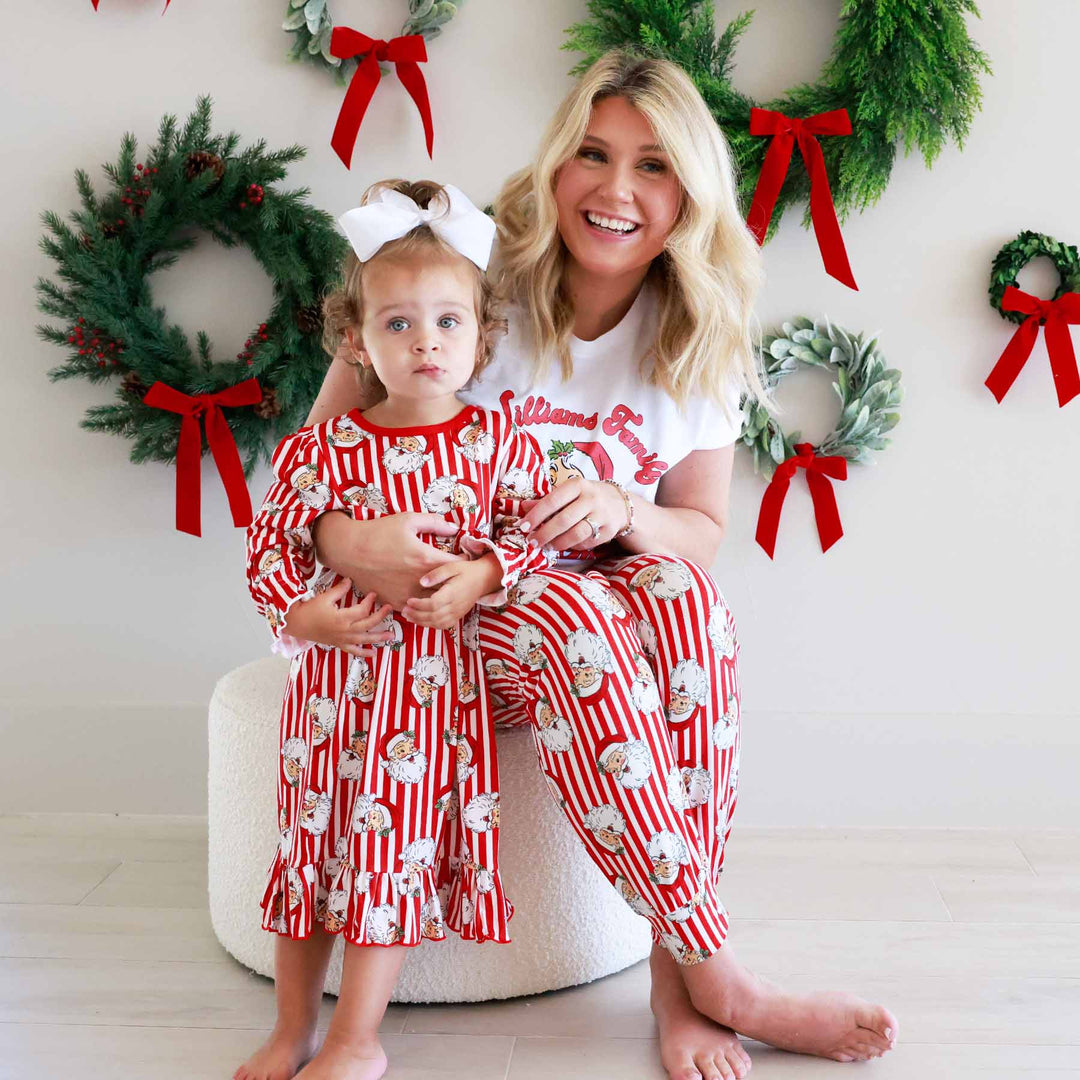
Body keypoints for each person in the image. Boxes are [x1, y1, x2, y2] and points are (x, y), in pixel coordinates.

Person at [299, 50, 900, 1080]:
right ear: (556, 163)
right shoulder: (468, 277)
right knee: (572, 612)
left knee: (686, 602)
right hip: (439, 623)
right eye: (593, 153)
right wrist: (355, 545)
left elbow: (701, 531)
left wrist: (625, 507)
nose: (615, 189)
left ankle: (678, 989)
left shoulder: (700, 332)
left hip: (591, 628)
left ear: (689, 194)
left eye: (653, 165)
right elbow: (313, 470)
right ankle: (723, 976)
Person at [237, 179, 554, 1080]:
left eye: (449, 322)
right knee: (309, 854)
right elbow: (269, 548)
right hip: (330, 703)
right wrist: (304, 614)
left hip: (430, 702)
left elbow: (536, 540)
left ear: (482, 338)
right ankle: (291, 1028)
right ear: (356, 340)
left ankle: (356, 1037)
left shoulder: (501, 444)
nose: (426, 342)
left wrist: (484, 574)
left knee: (386, 858)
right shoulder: (322, 450)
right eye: (399, 324)